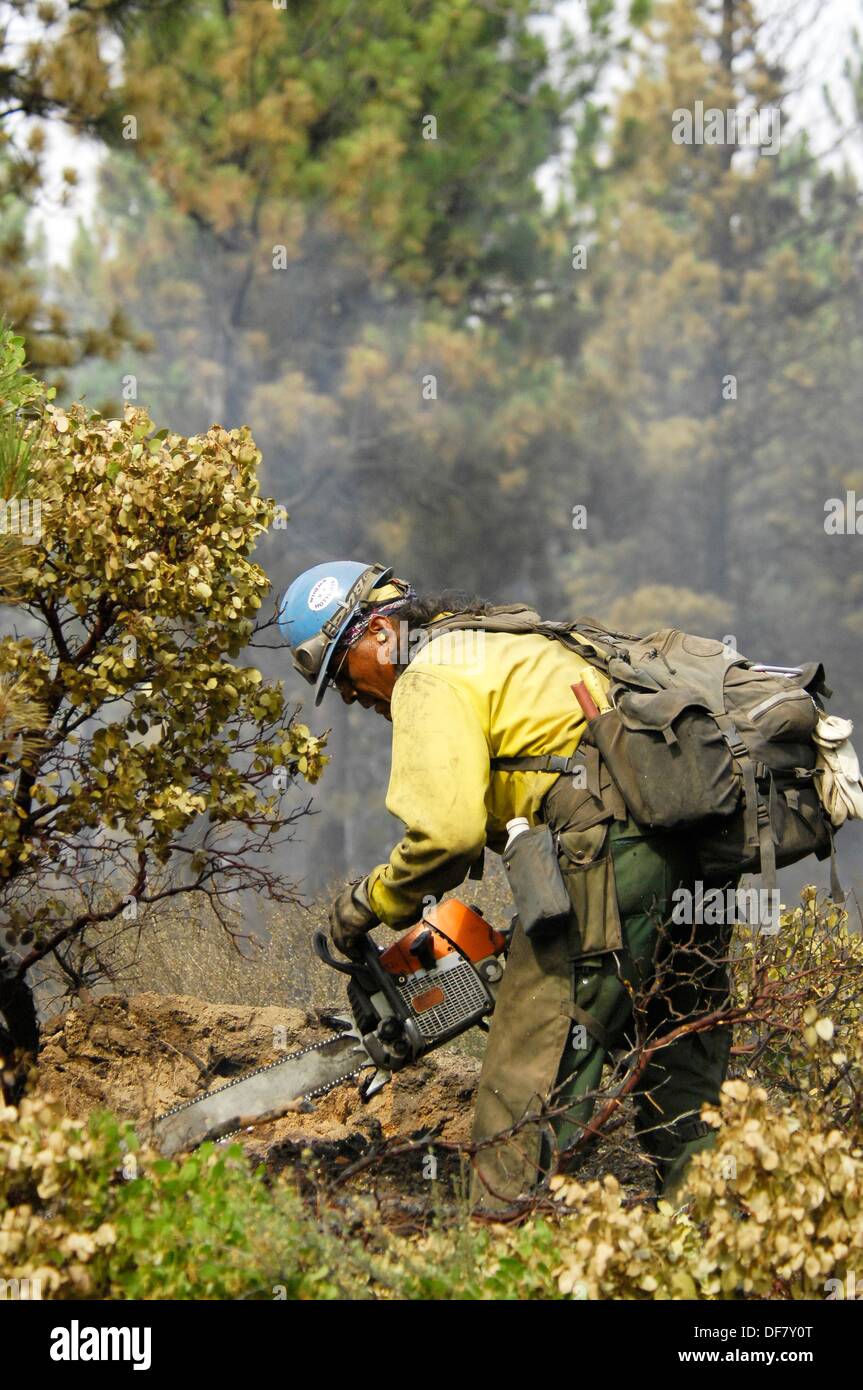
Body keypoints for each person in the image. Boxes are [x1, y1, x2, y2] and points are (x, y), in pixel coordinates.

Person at [278, 560, 733, 1212]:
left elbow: (447, 835)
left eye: (342, 673)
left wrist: (367, 903)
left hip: (609, 841)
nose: (350, 696)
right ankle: (713, 1248)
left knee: (527, 1062)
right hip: (684, 839)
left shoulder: (427, 675)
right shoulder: (496, 639)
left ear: (379, 632)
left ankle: (502, 1249)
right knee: (679, 1055)